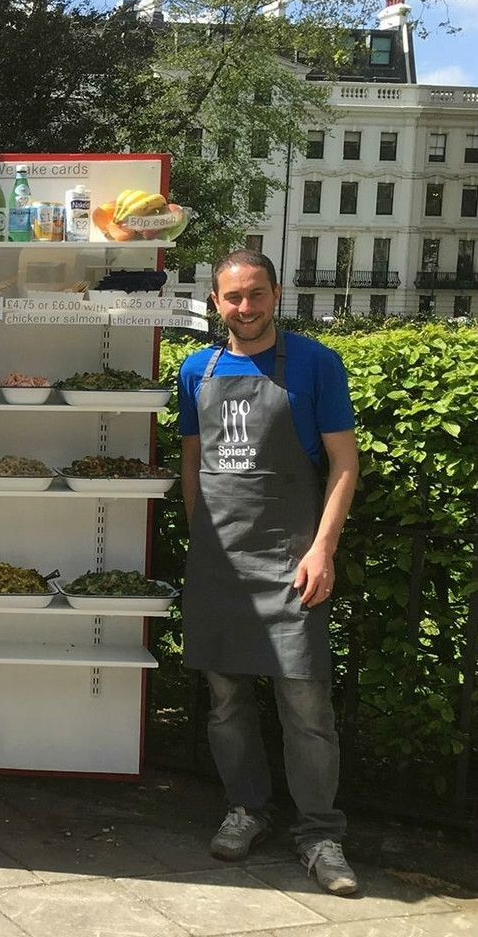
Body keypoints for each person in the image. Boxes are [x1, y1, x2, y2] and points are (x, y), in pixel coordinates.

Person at [177, 249, 360, 896]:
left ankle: (320, 834)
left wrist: (322, 549)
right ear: (215, 301)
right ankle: (247, 808)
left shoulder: (317, 364)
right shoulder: (195, 370)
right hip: (220, 564)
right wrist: (205, 538)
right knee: (226, 703)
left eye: (256, 295)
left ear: (275, 295)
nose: (245, 308)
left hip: (291, 562)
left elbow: (344, 464)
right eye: (233, 298)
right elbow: (193, 462)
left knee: (306, 704)